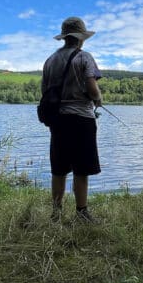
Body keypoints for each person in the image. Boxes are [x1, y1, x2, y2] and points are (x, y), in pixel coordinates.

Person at [41, 17, 103, 223]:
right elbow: (92, 89)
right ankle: (81, 212)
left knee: (59, 168)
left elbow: (45, 91)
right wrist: (99, 99)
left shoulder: (50, 60)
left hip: (58, 120)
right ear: (81, 38)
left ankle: (56, 213)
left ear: (65, 37)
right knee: (81, 169)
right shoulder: (84, 58)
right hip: (81, 120)